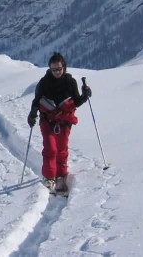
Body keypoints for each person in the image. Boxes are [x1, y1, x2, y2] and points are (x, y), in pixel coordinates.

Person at [27, 52, 91, 193]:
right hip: (47, 120)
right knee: (51, 148)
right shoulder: (44, 82)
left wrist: (85, 95)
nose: (56, 72)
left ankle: (61, 175)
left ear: (64, 67)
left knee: (62, 149)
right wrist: (32, 114)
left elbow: (76, 101)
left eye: (59, 69)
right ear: (49, 68)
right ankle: (50, 178)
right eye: (53, 69)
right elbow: (37, 101)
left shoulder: (70, 82)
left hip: (64, 121)